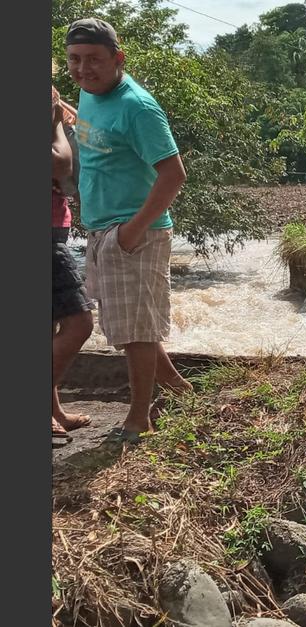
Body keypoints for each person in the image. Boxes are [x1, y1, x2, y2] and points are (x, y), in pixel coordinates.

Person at [67, 18, 192, 438]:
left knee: (136, 332)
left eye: (94, 60)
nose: (84, 69)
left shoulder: (137, 106)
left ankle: (140, 418)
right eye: (74, 60)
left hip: (133, 232)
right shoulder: (88, 95)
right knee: (128, 325)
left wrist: (132, 232)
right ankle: (177, 388)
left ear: (118, 58)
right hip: (102, 230)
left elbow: (174, 174)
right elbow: (97, 146)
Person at [52, 81, 95, 444]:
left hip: (55, 221)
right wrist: (54, 122)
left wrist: (61, 110)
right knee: (80, 322)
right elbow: (61, 161)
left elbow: (89, 134)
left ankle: (54, 411)